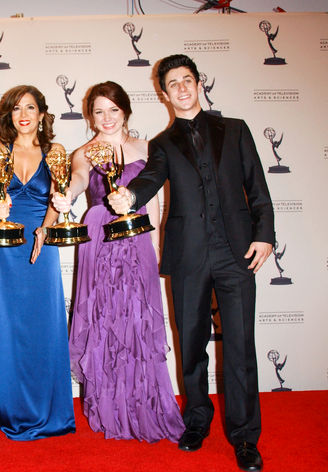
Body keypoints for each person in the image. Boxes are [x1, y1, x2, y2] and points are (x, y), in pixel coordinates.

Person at [108, 54, 274, 472]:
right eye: (173, 84)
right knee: (191, 345)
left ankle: (244, 436)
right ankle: (197, 419)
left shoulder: (235, 130)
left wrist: (264, 235)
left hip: (236, 253)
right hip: (187, 257)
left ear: (199, 83)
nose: (181, 88)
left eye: (187, 80)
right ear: (163, 93)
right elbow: (150, 177)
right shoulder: (162, 143)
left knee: (240, 347)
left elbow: (257, 186)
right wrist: (129, 196)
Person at [50, 81, 185, 442]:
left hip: (139, 237)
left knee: (138, 322)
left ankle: (145, 405)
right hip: (99, 239)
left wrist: (156, 244)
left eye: (113, 109)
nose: (106, 118)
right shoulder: (83, 152)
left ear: (125, 110)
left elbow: (153, 199)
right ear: (90, 116)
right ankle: (109, 407)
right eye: (99, 111)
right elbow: (78, 181)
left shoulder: (147, 148)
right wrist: (65, 196)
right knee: (105, 320)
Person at [0, 85, 75, 440]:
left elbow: (59, 195)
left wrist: (45, 230)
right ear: (8, 115)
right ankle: (11, 409)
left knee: (44, 325)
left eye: (30, 107)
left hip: (42, 241)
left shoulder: (56, 151)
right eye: (16, 108)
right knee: (7, 327)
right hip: (6, 244)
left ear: (41, 114)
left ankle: (50, 411)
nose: (23, 114)